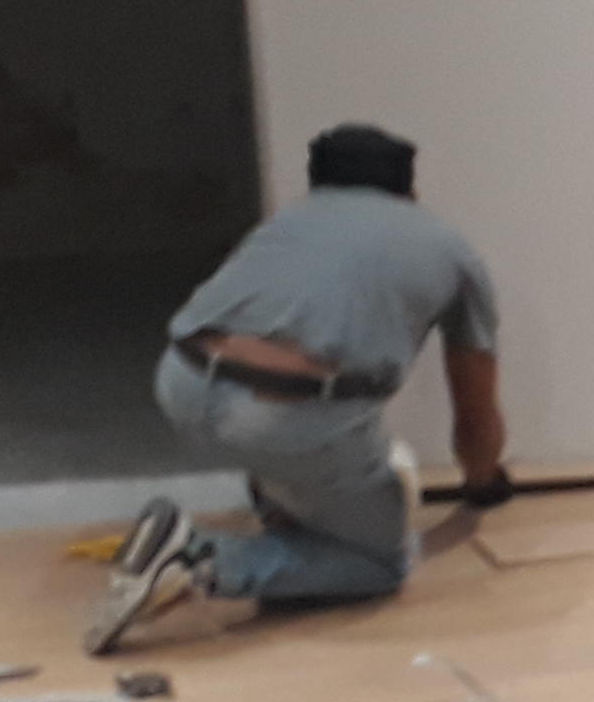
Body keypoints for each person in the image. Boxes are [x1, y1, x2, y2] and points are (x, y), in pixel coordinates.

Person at [86, 123, 510, 653]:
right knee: (374, 564)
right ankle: (198, 557)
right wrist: (483, 485)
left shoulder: (287, 223)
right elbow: (475, 418)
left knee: (301, 444)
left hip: (181, 382)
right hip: (283, 416)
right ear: (410, 192)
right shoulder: (453, 251)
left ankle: (285, 521)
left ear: (318, 184)